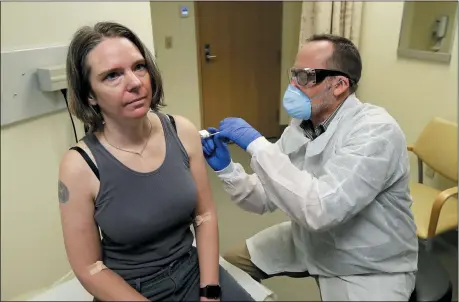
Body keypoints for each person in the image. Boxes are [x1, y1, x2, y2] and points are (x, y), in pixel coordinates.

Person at [201, 34, 418, 301]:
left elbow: (321, 210)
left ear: (339, 85)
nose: (292, 85)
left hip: (367, 262)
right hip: (308, 240)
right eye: (293, 75)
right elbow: (264, 197)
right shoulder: (302, 125)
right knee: (227, 268)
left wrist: (258, 146)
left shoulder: (375, 132)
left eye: (305, 77)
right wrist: (227, 170)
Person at [58, 21, 254, 302]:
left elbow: (205, 215)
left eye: (139, 67)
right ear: (89, 95)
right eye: (112, 75)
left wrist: (210, 290)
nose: (136, 83)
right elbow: (90, 268)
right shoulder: (79, 166)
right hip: (130, 290)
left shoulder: (182, 131)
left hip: (192, 272)